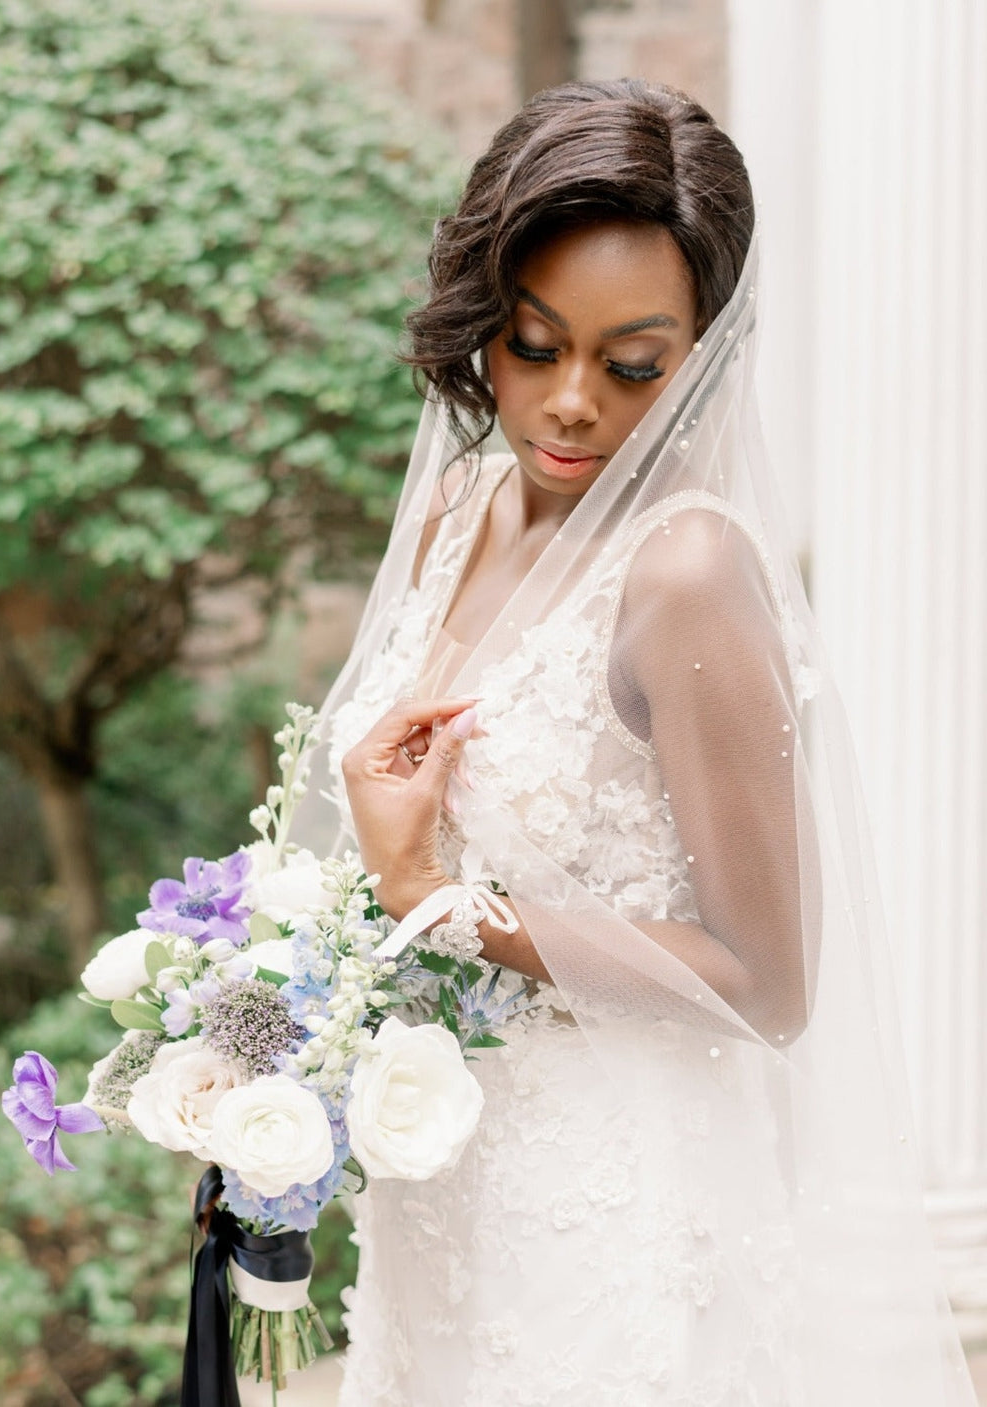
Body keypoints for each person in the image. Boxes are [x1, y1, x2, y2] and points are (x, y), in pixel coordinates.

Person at [302, 79, 978, 1405]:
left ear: (707, 353)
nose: (565, 406)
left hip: (613, 1222)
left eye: (630, 367)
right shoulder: (460, 508)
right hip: (443, 1184)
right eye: (531, 344)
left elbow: (770, 983)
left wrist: (434, 905)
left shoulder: (686, 575)